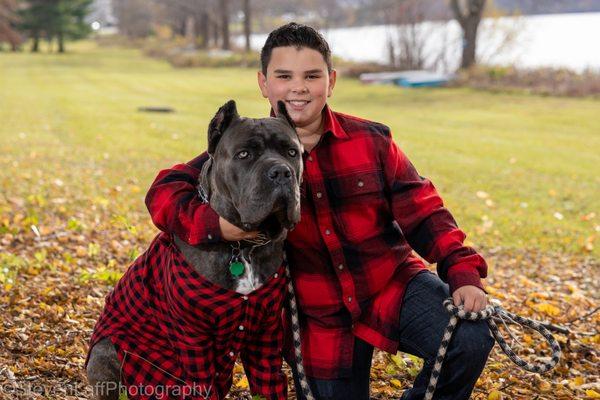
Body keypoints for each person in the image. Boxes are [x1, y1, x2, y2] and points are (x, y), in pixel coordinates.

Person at [145, 22, 494, 400]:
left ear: (331, 81)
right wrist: (218, 226)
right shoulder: (241, 148)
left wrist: (461, 270)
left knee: (470, 336)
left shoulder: (371, 140)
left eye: (312, 75)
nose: (299, 87)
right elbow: (164, 192)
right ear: (264, 84)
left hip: (387, 283)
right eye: (284, 76)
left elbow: (424, 209)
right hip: (316, 317)